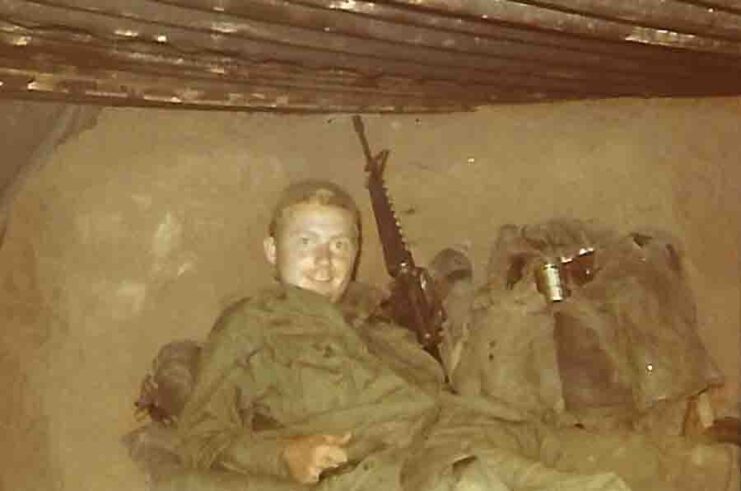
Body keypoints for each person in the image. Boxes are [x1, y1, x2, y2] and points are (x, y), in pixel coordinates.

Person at [128, 181, 737, 491]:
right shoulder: (251, 325)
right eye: (306, 242)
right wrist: (283, 455)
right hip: (409, 464)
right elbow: (202, 438)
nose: (324, 260)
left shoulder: (365, 319)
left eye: (339, 244)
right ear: (271, 250)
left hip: (471, 421)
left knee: (666, 462)